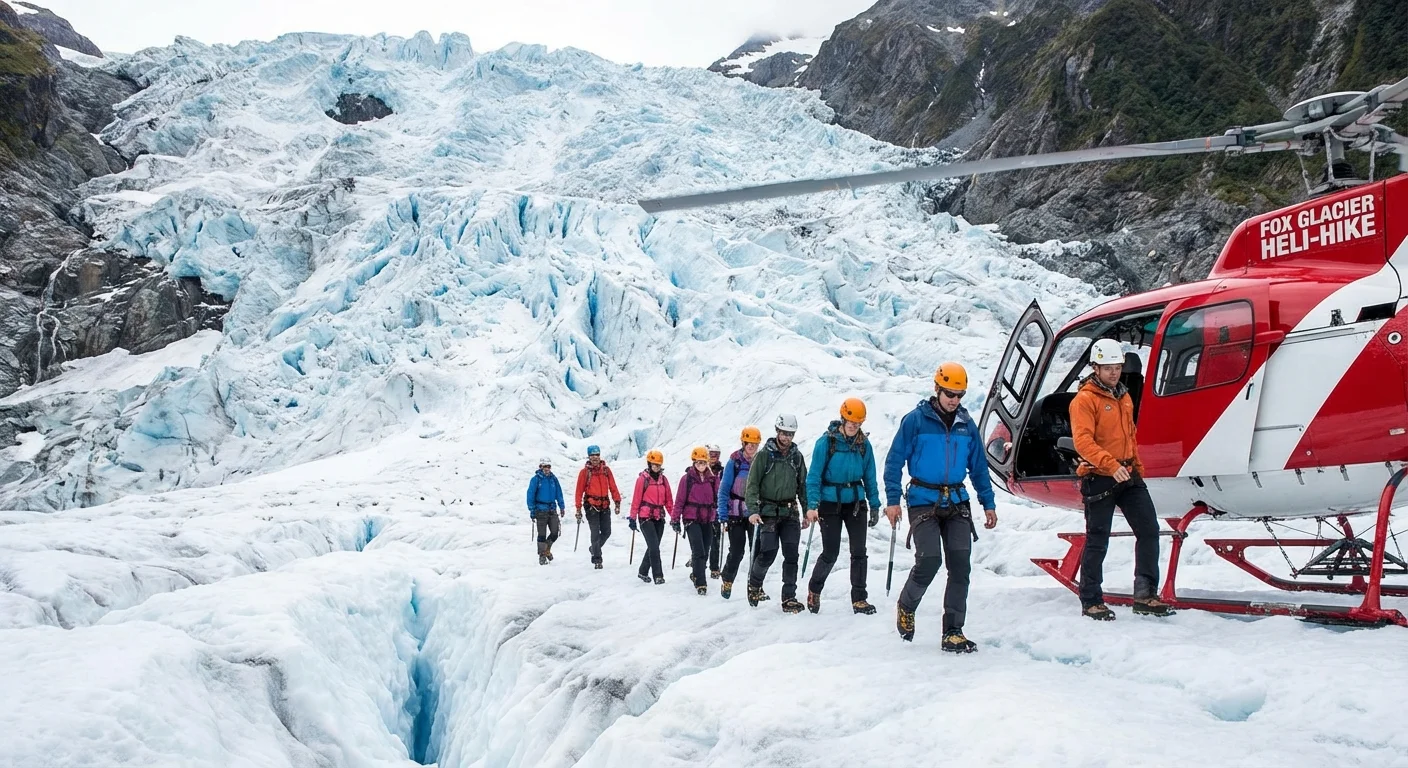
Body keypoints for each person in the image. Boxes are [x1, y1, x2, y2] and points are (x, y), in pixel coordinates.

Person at [884, 362, 997, 653]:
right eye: (950, 393)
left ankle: (953, 632)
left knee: (960, 566)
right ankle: (906, 606)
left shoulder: (966, 424)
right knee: (930, 559)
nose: (954, 399)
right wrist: (893, 500)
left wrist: (988, 503)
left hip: (957, 502)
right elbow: (894, 461)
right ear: (937, 388)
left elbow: (979, 467)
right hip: (923, 500)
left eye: (959, 394)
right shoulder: (915, 421)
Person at [1070, 339, 1173, 620]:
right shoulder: (1085, 400)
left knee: (1149, 530)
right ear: (1095, 368)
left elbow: (1130, 436)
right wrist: (1109, 464)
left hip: (1128, 475)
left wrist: (1135, 467)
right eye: (1108, 368)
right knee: (1097, 539)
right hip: (1099, 478)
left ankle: (1145, 594)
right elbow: (1083, 442)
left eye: (1117, 367)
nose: (1114, 373)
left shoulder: (1124, 397)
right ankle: (1091, 599)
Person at [804, 398, 882, 615]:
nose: (854, 426)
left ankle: (859, 599)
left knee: (859, 552)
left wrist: (874, 505)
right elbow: (814, 477)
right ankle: (814, 589)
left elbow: (870, 477)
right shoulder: (826, 443)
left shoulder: (863, 445)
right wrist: (812, 505)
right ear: (843, 418)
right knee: (831, 552)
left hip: (856, 502)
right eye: (851, 421)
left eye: (858, 423)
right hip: (830, 503)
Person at [745, 414, 809, 612]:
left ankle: (789, 597)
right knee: (768, 553)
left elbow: (803, 486)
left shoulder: (796, 457)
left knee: (791, 555)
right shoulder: (764, 455)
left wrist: (807, 511)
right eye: (783, 433)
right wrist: (753, 511)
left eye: (790, 434)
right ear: (777, 431)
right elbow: (752, 485)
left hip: (790, 512)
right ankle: (754, 584)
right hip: (768, 512)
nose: (786, 438)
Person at [717, 427, 761, 600]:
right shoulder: (734, 462)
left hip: (753, 512)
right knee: (737, 550)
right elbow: (724, 488)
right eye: (749, 444)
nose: (752, 447)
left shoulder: (761, 461)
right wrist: (722, 513)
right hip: (735, 513)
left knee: (756, 550)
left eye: (755, 444)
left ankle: (756, 586)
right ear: (743, 443)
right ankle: (727, 579)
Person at [673, 446, 721, 595]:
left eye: (703, 462)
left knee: (705, 550)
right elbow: (680, 500)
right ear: (694, 462)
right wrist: (675, 519)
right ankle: (701, 583)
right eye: (698, 462)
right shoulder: (686, 479)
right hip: (691, 519)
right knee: (699, 550)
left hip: (707, 519)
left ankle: (695, 573)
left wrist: (722, 514)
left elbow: (718, 498)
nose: (701, 465)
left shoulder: (713, 479)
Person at [629, 450, 674, 585]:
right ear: (649, 464)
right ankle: (658, 576)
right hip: (645, 517)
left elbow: (669, 501)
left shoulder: (663, 480)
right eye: (654, 464)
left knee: (653, 546)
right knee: (654, 547)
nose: (656, 467)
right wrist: (632, 518)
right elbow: (636, 499)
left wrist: (675, 517)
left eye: (658, 465)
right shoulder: (642, 479)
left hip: (659, 518)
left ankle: (643, 571)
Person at [575, 445, 622, 570]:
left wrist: (617, 501)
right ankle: (597, 558)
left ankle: (593, 548)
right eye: (592, 455)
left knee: (607, 532)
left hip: (605, 505)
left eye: (597, 455)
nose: (595, 457)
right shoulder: (584, 473)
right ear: (589, 457)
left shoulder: (606, 470)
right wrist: (578, 508)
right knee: (595, 533)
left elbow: (613, 486)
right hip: (591, 506)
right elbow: (579, 491)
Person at [526, 457, 566, 565]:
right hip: (540, 510)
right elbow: (530, 495)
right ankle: (542, 555)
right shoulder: (535, 479)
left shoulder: (553, 479)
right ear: (540, 467)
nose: (547, 469)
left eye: (549, 466)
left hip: (552, 509)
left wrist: (562, 506)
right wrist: (532, 509)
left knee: (555, 532)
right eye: (545, 466)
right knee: (542, 535)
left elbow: (559, 493)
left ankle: (546, 550)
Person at [705, 444, 725, 579]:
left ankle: (714, 567)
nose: (714, 457)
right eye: (711, 454)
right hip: (702, 510)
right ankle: (697, 560)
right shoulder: (701, 470)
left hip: (716, 509)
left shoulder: (722, 471)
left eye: (716, 454)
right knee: (702, 539)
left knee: (716, 540)